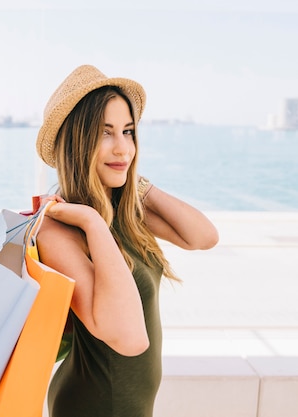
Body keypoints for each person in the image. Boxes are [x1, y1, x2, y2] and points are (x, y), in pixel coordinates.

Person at [34, 65, 219, 417]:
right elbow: (129, 339)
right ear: (77, 140)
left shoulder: (125, 209)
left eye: (128, 131)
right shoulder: (58, 230)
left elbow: (204, 237)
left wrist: (137, 185)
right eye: (106, 133)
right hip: (95, 404)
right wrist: (92, 222)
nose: (123, 148)